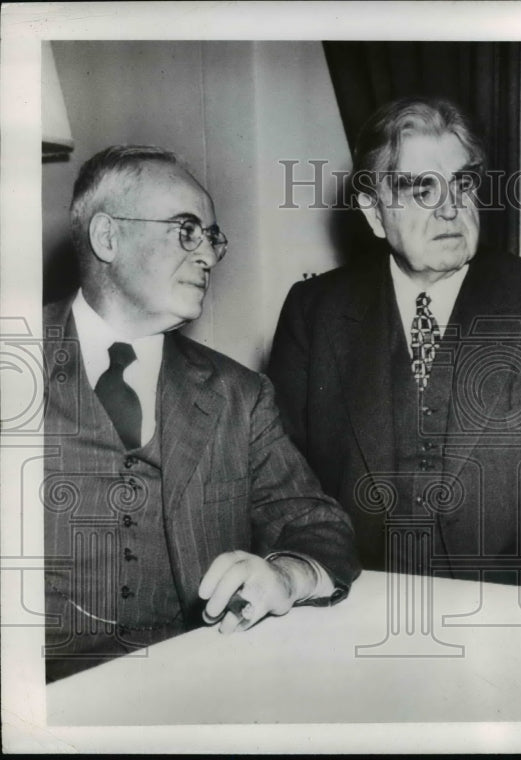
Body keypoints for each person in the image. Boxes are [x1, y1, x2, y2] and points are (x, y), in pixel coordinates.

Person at [268, 97, 521, 608]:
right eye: (421, 189)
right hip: (356, 608)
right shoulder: (314, 311)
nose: (449, 208)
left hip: (514, 610)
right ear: (374, 212)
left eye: (462, 184)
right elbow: (285, 476)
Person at [43, 146, 361, 682]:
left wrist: (287, 573)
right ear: (107, 237)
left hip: (195, 688)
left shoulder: (239, 394)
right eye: (186, 230)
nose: (209, 256)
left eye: (212, 238)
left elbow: (319, 525)